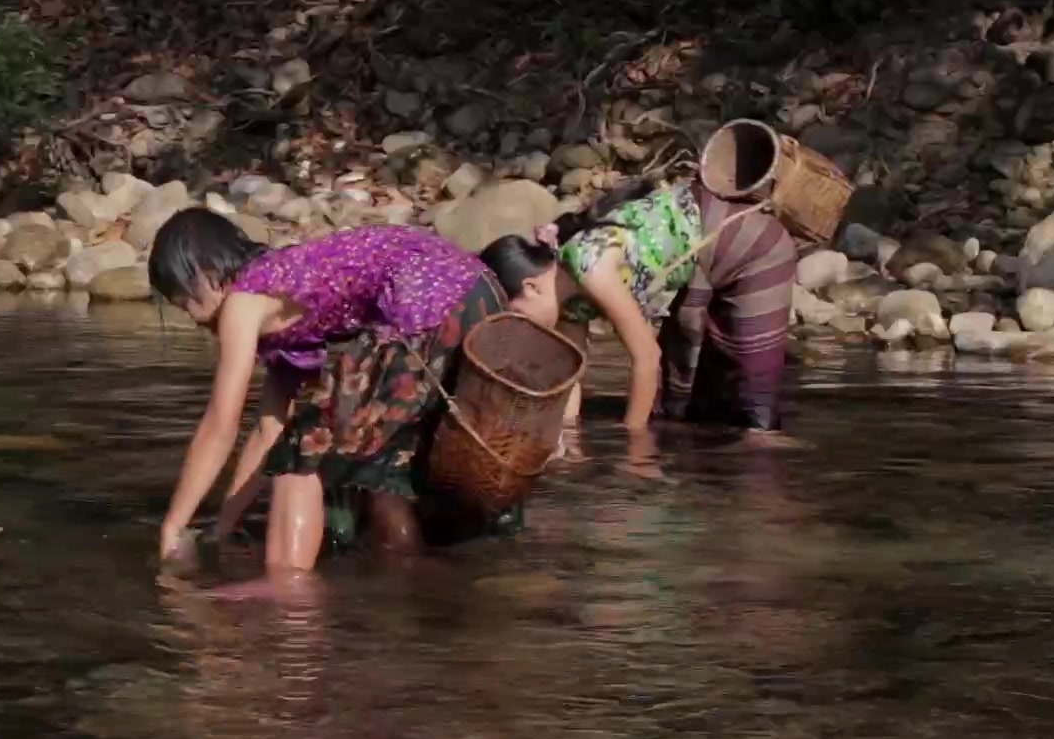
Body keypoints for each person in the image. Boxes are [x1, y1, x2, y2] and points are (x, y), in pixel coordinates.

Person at [149, 208, 509, 579]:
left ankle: (287, 587)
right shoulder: (278, 295)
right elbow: (264, 433)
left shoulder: (242, 302)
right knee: (383, 472)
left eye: (184, 301)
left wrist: (173, 525)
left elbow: (220, 426)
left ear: (206, 272)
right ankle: (423, 574)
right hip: (480, 292)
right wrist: (222, 527)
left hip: (432, 296)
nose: (191, 317)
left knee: (304, 446)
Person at [480, 176, 796, 447]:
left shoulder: (590, 265)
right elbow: (572, 377)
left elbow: (647, 358)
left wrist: (635, 446)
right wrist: (568, 441)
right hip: (698, 255)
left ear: (532, 287)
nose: (523, 329)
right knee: (684, 399)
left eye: (518, 316)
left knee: (754, 406)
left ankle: (769, 470)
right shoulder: (568, 304)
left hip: (749, 244)